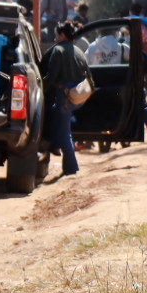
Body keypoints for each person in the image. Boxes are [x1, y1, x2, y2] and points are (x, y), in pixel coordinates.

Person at [42, 20, 91, 177]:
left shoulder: (58, 50)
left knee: (64, 133)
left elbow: (51, 76)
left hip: (64, 97)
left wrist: (39, 88)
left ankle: (71, 168)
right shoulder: (79, 51)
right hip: (79, 97)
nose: (55, 39)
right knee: (60, 122)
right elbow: (89, 76)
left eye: (56, 35)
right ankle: (55, 147)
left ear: (62, 35)